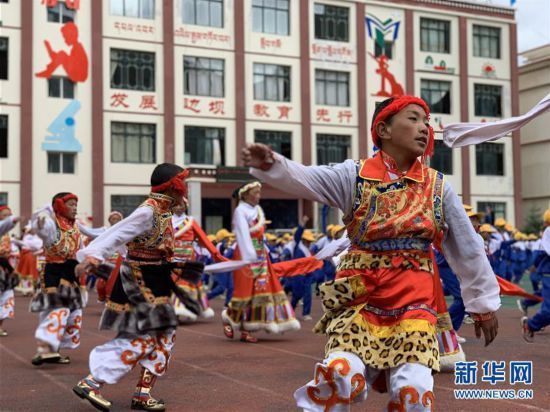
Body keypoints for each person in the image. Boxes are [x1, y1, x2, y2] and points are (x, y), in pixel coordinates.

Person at [243, 95, 500, 410]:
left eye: (427, 122)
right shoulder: (353, 176)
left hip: (414, 302)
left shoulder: (437, 186)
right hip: (358, 299)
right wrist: (272, 163)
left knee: (414, 394)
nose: (425, 128)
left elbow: (468, 247)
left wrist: (482, 305)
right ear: (384, 130)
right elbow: (307, 178)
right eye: (413, 119)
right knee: (339, 377)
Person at [73, 163, 202, 411]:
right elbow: (117, 234)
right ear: (174, 186)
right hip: (140, 280)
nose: (185, 189)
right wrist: (92, 257)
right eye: (183, 183)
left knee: (165, 334)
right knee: (143, 337)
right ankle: (92, 381)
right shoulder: (148, 211)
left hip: (154, 277)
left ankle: (143, 392)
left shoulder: (163, 211)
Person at [222, 181, 300, 343]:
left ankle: (247, 328)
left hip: (260, 254)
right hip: (245, 254)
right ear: (245, 195)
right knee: (245, 291)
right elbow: (243, 235)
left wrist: (265, 253)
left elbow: (260, 236)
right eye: (255, 193)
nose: (259, 196)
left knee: (261, 290)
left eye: (259, 192)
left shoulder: (257, 210)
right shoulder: (240, 211)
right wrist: (249, 255)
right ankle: (230, 318)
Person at [30, 193, 84, 365]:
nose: (75, 208)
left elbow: (82, 247)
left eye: (76, 205)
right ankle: (45, 350)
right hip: (54, 271)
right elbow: (42, 230)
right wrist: (40, 223)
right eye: (71, 205)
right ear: (60, 205)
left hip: (70, 272)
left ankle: (53, 350)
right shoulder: (52, 224)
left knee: (72, 312)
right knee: (56, 310)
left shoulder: (75, 226)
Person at [521, 208, 550, 342]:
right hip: (548, 273)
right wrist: (535, 266)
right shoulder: (548, 231)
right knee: (548, 310)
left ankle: (536, 321)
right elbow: (543, 253)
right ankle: (531, 325)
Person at [0, 206, 20, 336]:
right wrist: (11, 269)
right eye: (5, 215)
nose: (8, 217)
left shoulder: (6, 235)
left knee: (7, 298)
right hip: (3, 268)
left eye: (10, 215)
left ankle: (0, 326)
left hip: (5, 269)